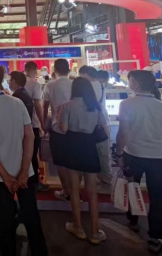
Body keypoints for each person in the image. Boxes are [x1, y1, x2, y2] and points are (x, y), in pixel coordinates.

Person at [0, 64, 48, 256]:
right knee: (32, 217)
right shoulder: (17, 103)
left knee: (5, 223)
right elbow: (29, 137)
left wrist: (6, 176)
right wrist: (24, 170)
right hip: (25, 173)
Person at [116, 70, 162, 254]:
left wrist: (118, 153)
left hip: (133, 154)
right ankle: (155, 237)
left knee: (132, 189)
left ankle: (132, 221)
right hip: (159, 156)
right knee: (157, 197)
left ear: (135, 83)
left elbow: (123, 132)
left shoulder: (126, 104)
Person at [57, 77, 108, 244]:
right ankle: (95, 231)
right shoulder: (95, 106)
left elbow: (63, 129)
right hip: (89, 146)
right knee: (92, 191)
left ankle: (77, 227)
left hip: (72, 146)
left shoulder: (66, 105)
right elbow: (104, 127)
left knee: (74, 189)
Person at [43, 59, 74, 202]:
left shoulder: (50, 85)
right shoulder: (74, 84)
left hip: (57, 127)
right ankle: (74, 191)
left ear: (54, 70)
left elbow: (45, 106)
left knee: (60, 161)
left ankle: (67, 191)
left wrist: (44, 123)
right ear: (69, 69)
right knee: (73, 161)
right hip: (74, 128)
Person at [79, 65, 112, 191]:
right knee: (103, 155)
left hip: (96, 124)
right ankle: (103, 181)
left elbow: (92, 105)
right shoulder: (99, 84)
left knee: (101, 155)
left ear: (85, 74)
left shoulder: (91, 85)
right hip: (102, 123)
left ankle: (105, 183)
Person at [23, 61, 47, 192]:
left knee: (25, 152)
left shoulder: (19, 83)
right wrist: (43, 123)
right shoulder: (34, 84)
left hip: (21, 124)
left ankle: (26, 179)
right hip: (33, 124)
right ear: (35, 70)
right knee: (32, 153)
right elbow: (38, 106)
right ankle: (34, 182)